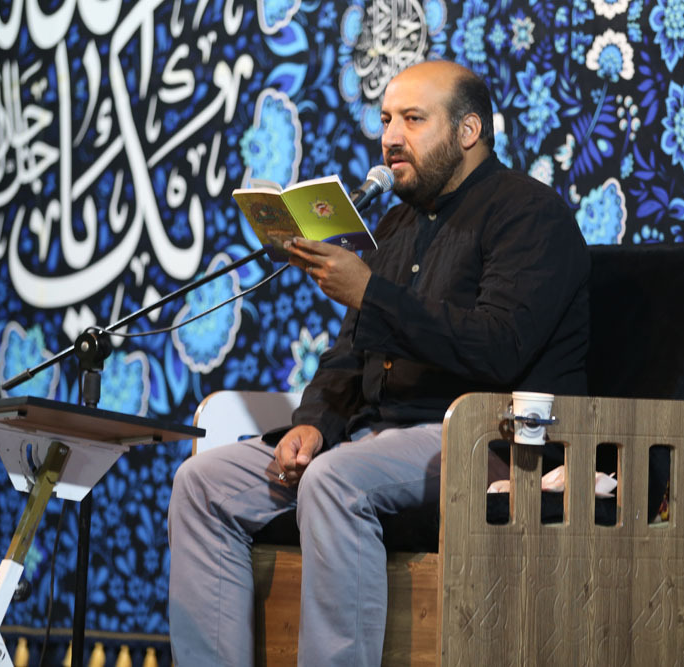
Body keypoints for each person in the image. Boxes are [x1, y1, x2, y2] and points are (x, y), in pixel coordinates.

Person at [168, 60, 590, 666]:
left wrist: (372, 292)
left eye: (413, 120)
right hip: (372, 436)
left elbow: (499, 348)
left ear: (468, 131)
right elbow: (349, 353)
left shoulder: (528, 214)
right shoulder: (396, 223)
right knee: (203, 483)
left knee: (334, 480)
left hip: (479, 435)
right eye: (387, 119)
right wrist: (313, 424)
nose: (391, 136)